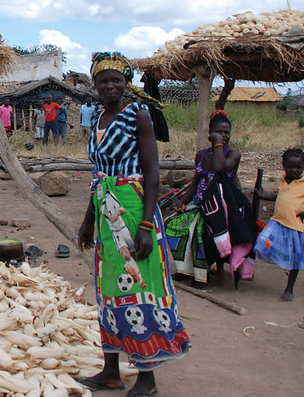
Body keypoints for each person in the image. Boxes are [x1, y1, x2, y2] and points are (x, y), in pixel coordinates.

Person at [77, 52, 189, 397]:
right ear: (95, 85)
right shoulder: (98, 117)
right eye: (103, 81)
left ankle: (147, 377)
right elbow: (99, 176)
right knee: (110, 288)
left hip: (133, 206)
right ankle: (111, 371)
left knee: (139, 286)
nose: (110, 86)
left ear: (126, 83)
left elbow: (152, 173)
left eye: (116, 80)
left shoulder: (137, 115)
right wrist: (88, 221)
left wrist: (145, 225)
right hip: (105, 208)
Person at [164, 111, 255, 288]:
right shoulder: (201, 155)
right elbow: (195, 182)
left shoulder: (233, 155)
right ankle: (186, 269)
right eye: (219, 132)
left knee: (199, 230)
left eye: (226, 132)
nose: (223, 135)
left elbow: (220, 167)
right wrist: (183, 202)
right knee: (173, 225)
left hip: (220, 207)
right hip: (199, 203)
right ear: (210, 132)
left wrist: (218, 142)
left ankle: (201, 275)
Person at [254, 149, 304, 301]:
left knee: (295, 260)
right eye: (290, 167)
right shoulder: (282, 179)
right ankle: (280, 260)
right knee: (261, 242)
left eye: (298, 167)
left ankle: (289, 288)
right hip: (277, 222)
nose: (294, 170)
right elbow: (280, 196)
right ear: (283, 166)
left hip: (295, 226)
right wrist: (263, 196)